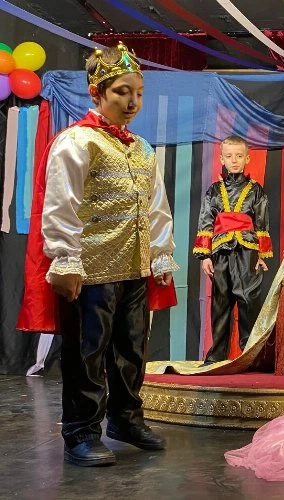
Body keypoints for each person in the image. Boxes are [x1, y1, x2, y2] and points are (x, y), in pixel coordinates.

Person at [17, 43, 179, 466]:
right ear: (97, 92)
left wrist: (160, 253)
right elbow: (60, 204)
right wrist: (65, 259)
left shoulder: (142, 148)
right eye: (122, 92)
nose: (132, 102)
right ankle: (81, 432)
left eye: (138, 93)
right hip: (90, 270)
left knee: (131, 350)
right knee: (87, 352)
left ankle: (125, 419)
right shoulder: (77, 142)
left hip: (134, 266)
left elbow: (155, 205)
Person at [192, 136, 273, 364]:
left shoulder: (255, 190)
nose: (234, 160)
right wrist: (205, 256)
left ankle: (250, 355)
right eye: (229, 156)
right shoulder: (214, 191)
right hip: (220, 252)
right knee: (221, 302)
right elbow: (206, 221)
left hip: (247, 250)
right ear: (221, 159)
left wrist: (262, 255)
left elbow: (262, 222)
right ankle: (217, 355)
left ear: (247, 158)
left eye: (239, 156)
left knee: (248, 301)